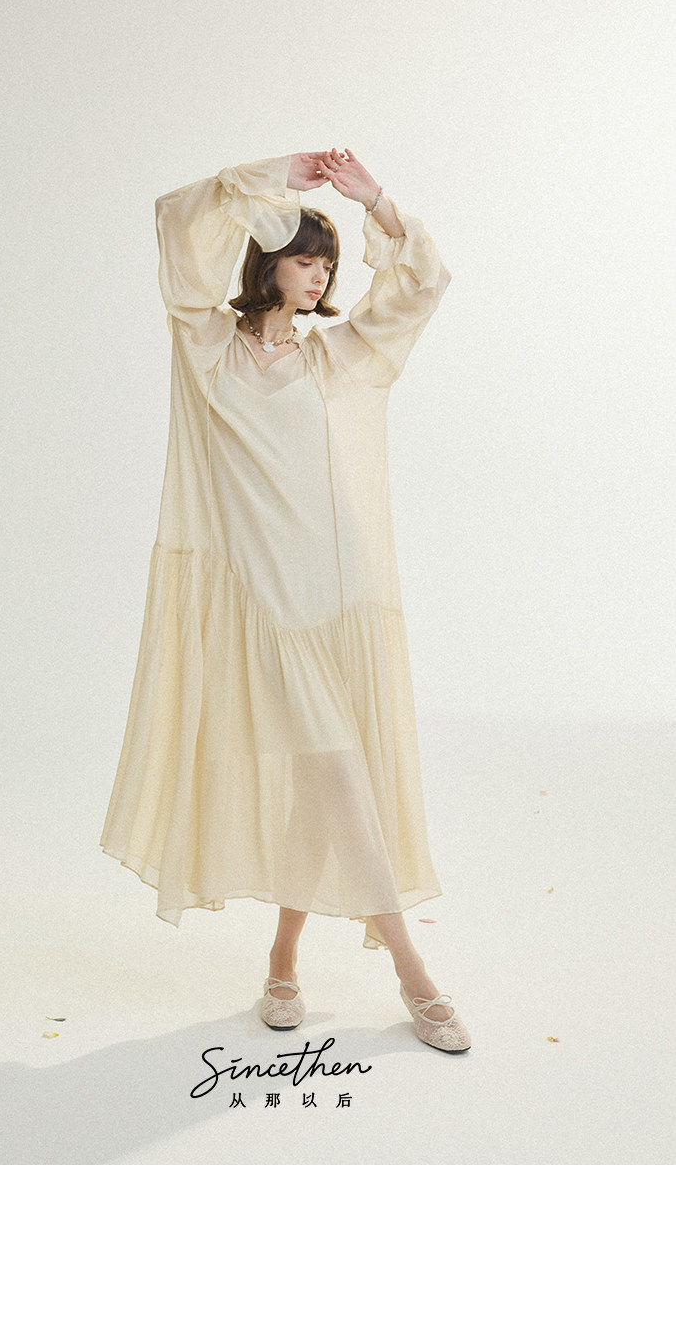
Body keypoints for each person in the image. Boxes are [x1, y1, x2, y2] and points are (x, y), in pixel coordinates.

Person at [100, 147, 471, 1055]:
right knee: (338, 776)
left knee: (322, 787)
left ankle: (282, 961)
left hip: (335, 596)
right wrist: (276, 181)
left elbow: (424, 282)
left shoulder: (336, 358)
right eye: (307, 259)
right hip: (258, 604)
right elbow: (177, 218)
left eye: (327, 265)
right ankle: (414, 974)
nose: (320, 277)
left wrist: (375, 200)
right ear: (268, 262)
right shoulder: (207, 350)